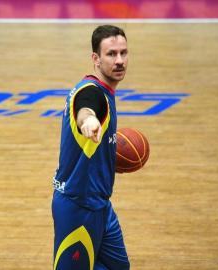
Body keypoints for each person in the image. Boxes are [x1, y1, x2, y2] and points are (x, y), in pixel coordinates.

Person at [52, 25, 130, 270]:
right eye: (111, 54)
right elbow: (85, 108)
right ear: (95, 59)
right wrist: (88, 121)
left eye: (123, 53)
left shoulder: (105, 91)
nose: (119, 61)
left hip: (100, 205)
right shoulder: (91, 92)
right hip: (78, 206)